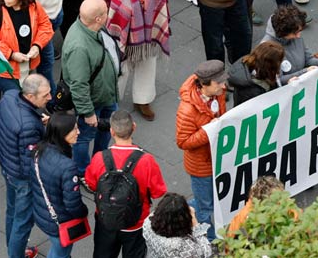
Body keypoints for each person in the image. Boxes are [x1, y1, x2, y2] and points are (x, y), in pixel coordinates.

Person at [102, 0, 170, 121]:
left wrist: (146, 3)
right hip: (127, 32)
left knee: (148, 64)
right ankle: (111, 103)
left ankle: (143, 99)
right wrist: (136, 6)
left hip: (148, 29)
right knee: (121, 69)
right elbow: (114, 7)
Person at [83, 110, 168, 256]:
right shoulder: (147, 161)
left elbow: (91, 185)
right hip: (136, 222)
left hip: (106, 220)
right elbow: (158, 192)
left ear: (111, 131)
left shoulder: (99, 158)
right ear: (134, 127)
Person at [61, 0, 121, 177]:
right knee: (84, 137)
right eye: (105, 11)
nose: (108, 12)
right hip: (93, 102)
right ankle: (84, 172)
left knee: (106, 129)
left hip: (106, 95)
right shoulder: (79, 47)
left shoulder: (91, 29)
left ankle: (100, 163)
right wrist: (88, 113)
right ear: (98, 19)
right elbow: (79, 85)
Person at [0, 73, 52, 258]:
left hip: (8, 166)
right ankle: (16, 254)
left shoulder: (10, 96)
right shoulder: (27, 125)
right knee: (23, 222)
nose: (50, 98)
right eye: (45, 96)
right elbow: (34, 159)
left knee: (12, 211)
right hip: (24, 179)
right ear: (29, 96)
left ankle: (12, 248)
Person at [175, 59, 227, 240]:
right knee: (205, 208)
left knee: (207, 199)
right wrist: (208, 131)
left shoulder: (217, 92)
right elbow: (182, 142)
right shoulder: (187, 110)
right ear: (205, 85)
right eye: (219, 83)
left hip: (215, 158)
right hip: (201, 166)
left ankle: (177, 212)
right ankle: (212, 240)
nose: (224, 85)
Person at [29, 112, 88, 258]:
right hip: (60, 221)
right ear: (62, 134)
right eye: (74, 129)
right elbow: (72, 204)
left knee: (58, 249)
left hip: (43, 213)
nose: (78, 132)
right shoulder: (67, 166)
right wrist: (83, 212)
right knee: (61, 252)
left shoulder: (39, 150)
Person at [0, 0, 54, 94]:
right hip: (5, 69)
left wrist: (37, 46)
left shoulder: (34, 6)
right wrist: (11, 54)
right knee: (16, 96)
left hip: (28, 65)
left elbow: (45, 26)